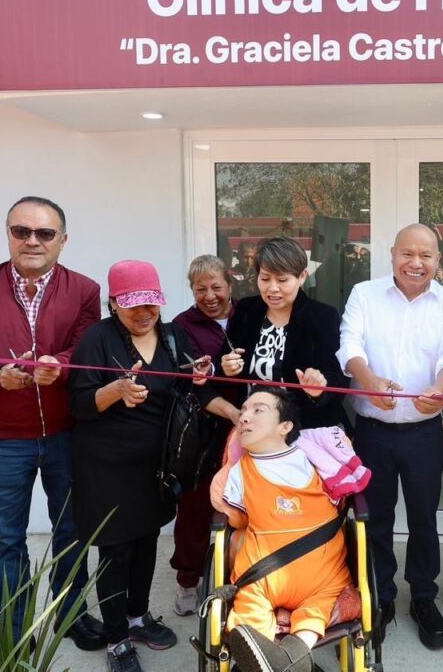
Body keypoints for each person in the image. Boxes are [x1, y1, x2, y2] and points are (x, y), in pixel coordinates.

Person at [0, 196, 105, 649]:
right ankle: (14, 629)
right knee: (6, 541)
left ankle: (71, 615)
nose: (32, 241)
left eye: (44, 233)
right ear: (8, 234)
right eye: (21, 231)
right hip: (1, 441)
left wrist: (59, 365)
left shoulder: (85, 289)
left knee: (71, 532)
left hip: (68, 434)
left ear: (62, 240)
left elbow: (89, 351)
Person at [69, 260, 243, 672]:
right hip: (108, 468)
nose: (144, 313)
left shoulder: (172, 335)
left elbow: (189, 384)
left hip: (157, 465)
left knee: (147, 541)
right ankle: (116, 640)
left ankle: (137, 617)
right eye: (133, 305)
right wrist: (115, 390)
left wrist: (202, 378)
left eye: (151, 303)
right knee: (116, 551)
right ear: (114, 304)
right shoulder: (97, 339)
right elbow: (78, 403)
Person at [337, 223, 443, 650]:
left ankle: (423, 597)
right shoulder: (364, 294)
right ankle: (380, 596)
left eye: (426, 256)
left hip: (425, 432)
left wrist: (441, 387)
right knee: (374, 518)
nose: (416, 263)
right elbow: (349, 345)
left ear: (438, 260)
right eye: (407, 254)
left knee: (423, 518)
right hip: (372, 432)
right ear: (392, 255)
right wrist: (368, 380)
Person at [223, 387, 353, 672]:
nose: (244, 417)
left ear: (285, 426)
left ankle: (279, 659)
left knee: (316, 605)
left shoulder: (317, 460)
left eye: (258, 410)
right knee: (255, 607)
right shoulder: (238, 471)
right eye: (243, 411)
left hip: (319, 575)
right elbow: (235, 522)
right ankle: (285, 659)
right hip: (265, 577)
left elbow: (237, 521)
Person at [169, 254, 241, 616]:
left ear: (229, 283)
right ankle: (188, 579)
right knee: (195, 505)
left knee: (246, 504)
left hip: (252, 425)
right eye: (200, 289)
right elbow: (189, 382)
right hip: (202, 427)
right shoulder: (182, 325)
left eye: (216, 287)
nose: (210, 296)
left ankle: (240, 578)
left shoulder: (250, 313)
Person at [221, 236, 350, 431]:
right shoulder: (247, 310)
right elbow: (225, 357)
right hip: (255, 429)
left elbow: (337, 378)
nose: (273, 288)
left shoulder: (322, 316)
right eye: (265, 278)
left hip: (305, 429)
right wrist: (227, 366)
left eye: (282, 280)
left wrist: (318, 388)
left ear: (302, 277)